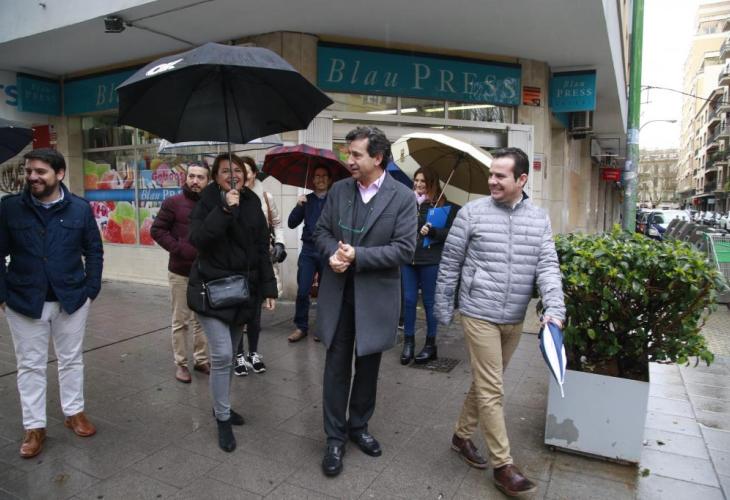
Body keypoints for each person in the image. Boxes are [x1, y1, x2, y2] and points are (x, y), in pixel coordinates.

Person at [433, 147, 565, 497]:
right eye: (491, 174)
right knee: (493, 388)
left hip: (514, 317)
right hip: (478, 311)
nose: (492, 180)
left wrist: (555, 309)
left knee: (486, 382)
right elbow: (450, 262)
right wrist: (443, 307)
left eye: (500, 175)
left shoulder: (539, 219)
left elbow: (548, 266)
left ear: (521, 179)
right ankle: (503, 466)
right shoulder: (472, 214)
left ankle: (461, 436)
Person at [314, 126, 416, 477]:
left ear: (378, 157)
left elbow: (404, 249)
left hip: (376, 297)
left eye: (356, 154)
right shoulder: (339, 190)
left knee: (368, 368)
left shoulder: (402, 197)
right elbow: (321, 232)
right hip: (338, 294)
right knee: (335, 367)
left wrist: (358, 256)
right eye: (348, 153)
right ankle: (334, 438)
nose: (349, 160)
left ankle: (358, 426)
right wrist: (333, 254)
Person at [0, 148, 103, 459]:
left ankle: (74, 412)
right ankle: (34, 427)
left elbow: (94, 250)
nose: (33, 177)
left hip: (71, 299)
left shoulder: (80, 209)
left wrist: (91, 289)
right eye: (29, 171)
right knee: (30, 365)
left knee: (71, 359)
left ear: (59, 174)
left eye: (40, 171)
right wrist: (2, 295)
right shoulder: (10, 208)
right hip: (24, 301)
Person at [186, 153, 277, 453]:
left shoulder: (252, 202)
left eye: (237, 170)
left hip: (243, 292)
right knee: (224, 355)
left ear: (246, 175)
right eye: (225, 171)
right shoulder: (207, 201)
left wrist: (269, 288)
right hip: (211, 290)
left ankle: (220, 406)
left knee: (229, 354)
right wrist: (225, 209)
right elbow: (198, 239)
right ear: (215, 176)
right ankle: (223, 419)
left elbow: (262, 248)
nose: (232, 175)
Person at [151, 162, 211, 383]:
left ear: (208, 180)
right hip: (180, 272)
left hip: (205, 272)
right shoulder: (173, 203)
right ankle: (181, 364)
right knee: (180, 320)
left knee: (201, 320)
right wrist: (179, 249)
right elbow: (157, 230)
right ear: (186, 178)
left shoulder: (213, 204)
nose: (195, 181)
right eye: (191, 176)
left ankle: (201, 359)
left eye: (200, 177)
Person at [400, 167, 460, 365]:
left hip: (430, 260)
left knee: (429, 302)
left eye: (423, 181)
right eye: (416, 180)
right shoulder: (407, 202)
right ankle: (408, 342)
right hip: (408, 259)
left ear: (432, 183)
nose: (418, 184)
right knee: (409, 300)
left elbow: (452, 234)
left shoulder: (444, 206)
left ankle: (430, 344)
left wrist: (433, 232)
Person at [232, 156, 285, 376]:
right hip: (237, 263)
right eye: (238, 171)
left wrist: (280, 243)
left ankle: (253, 352)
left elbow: (276, 223)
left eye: (246, 171)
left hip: (259, 259)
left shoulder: (265, 196)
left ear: (254, 173)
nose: (242, 175)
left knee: (255, 313)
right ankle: (238, 354)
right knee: (238, 312)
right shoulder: (229, 196)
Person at [287, 164, 332, 343]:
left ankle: (322, 327)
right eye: (317, 176)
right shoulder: (307, 200)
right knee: (303, 290)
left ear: (329, 179)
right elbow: (291, 223)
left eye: (324, 175)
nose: (320, 179)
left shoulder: (334, 199)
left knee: (325, 292)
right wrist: (299, 205)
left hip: (327, 250)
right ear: (312, 180)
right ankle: (301, 327)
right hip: (308, 251)